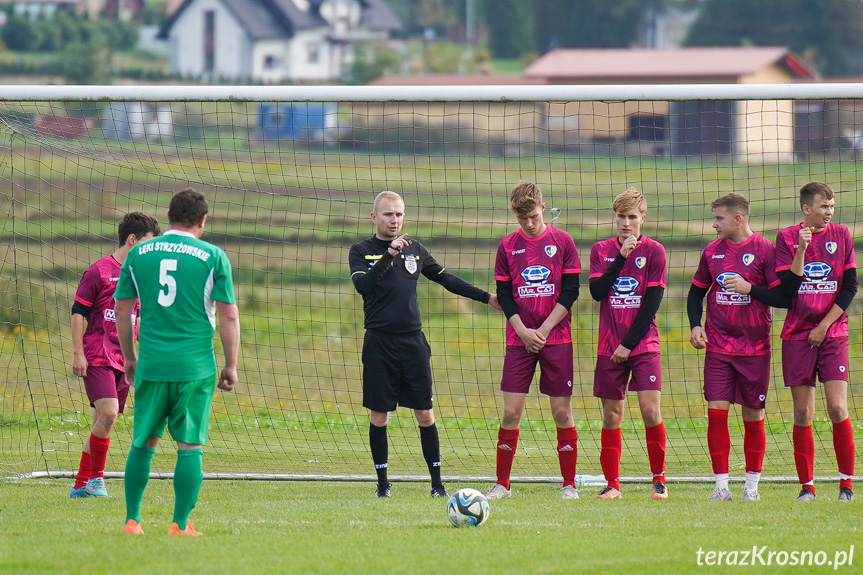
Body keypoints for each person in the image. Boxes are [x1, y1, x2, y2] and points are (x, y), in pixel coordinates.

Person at [349, 190, 500, 498]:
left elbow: (446, 278)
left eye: (399, 214)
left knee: (425, 413)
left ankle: (437, 485)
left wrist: (486, 297)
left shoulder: (415, 249)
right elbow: (364, 286)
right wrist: (388, 256)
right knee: (379, 416)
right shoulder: (361, 250)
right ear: (374, 217)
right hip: (378, 343)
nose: (395, 219)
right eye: (388, 214)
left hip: (413, 343)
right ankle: (382, 486)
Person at [114, 188, 241, 535]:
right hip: (194, 367)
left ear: (168, 216)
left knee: (143, 442)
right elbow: (228, 316)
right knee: (189, 445)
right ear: (202, 221)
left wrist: (129, 358)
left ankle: (132, 520)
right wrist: (231, 365)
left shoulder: (138, 253)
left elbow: (122, 310)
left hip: (152, 365)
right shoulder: (212, 256)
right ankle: (180, 524)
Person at [688, 193, 793, 502]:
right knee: (716, 413)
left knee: (753, 417)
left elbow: (784, 299)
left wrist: (751, 289)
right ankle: (721, 486)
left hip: (755, 348)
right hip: (718, 348)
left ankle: (751, 487)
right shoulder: (712, 251)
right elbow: (695, 294)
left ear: (738, 219)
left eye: (719, 218)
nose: (713, 224)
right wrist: (696, 325)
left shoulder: (765, 250)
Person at [487, 181, 581, 500]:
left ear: (543, 208)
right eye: (522, 218)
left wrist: (543, 330)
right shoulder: (507, 246)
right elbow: (504, 294)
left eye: (533, 216)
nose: (529, 224)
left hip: (556, 339)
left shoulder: (563, 242)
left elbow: (571, 292)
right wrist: (524, 331)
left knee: (561, 412)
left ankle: (569, 484)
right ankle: (502, 484)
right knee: (511, 412)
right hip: (519, 340)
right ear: (515, 214)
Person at [69, 212, 161, 499]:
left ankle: (81, 485)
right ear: (132, 240)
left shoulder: (140, 277)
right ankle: (96, 480)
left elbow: (140, 319)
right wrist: (78, 353)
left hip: (124, 360)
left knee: (103, 422)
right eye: (146, 244)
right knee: (108, 415)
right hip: (97, 354)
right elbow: (78, 312)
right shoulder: (99, 271)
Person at [775, 182, 857, 502]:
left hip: (832, 332)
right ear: (807, 210)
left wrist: (824, 325)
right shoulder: (785, 238)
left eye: (832, 206)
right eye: (824, 207)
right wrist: (800, 249)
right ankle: (807, 488)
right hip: (797, 335)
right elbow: (787, 289)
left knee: (837, 407)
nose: (829, 212)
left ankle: (846, 485)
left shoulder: (842, 235)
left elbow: (849, 288)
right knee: (802, 413)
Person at [589, 188, 668, 500]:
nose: (625, 223)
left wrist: (629, 344)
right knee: (611, 415)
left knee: (651, 411)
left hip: (643, 345)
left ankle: (659, 481)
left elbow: (651, 303)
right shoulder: (601, 250)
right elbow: (597, 291)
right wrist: (620, 257)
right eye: (621, 217)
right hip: (609, 346)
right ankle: (613, 485)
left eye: (632, 217)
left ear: (642, 218)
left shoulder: (655, 251)